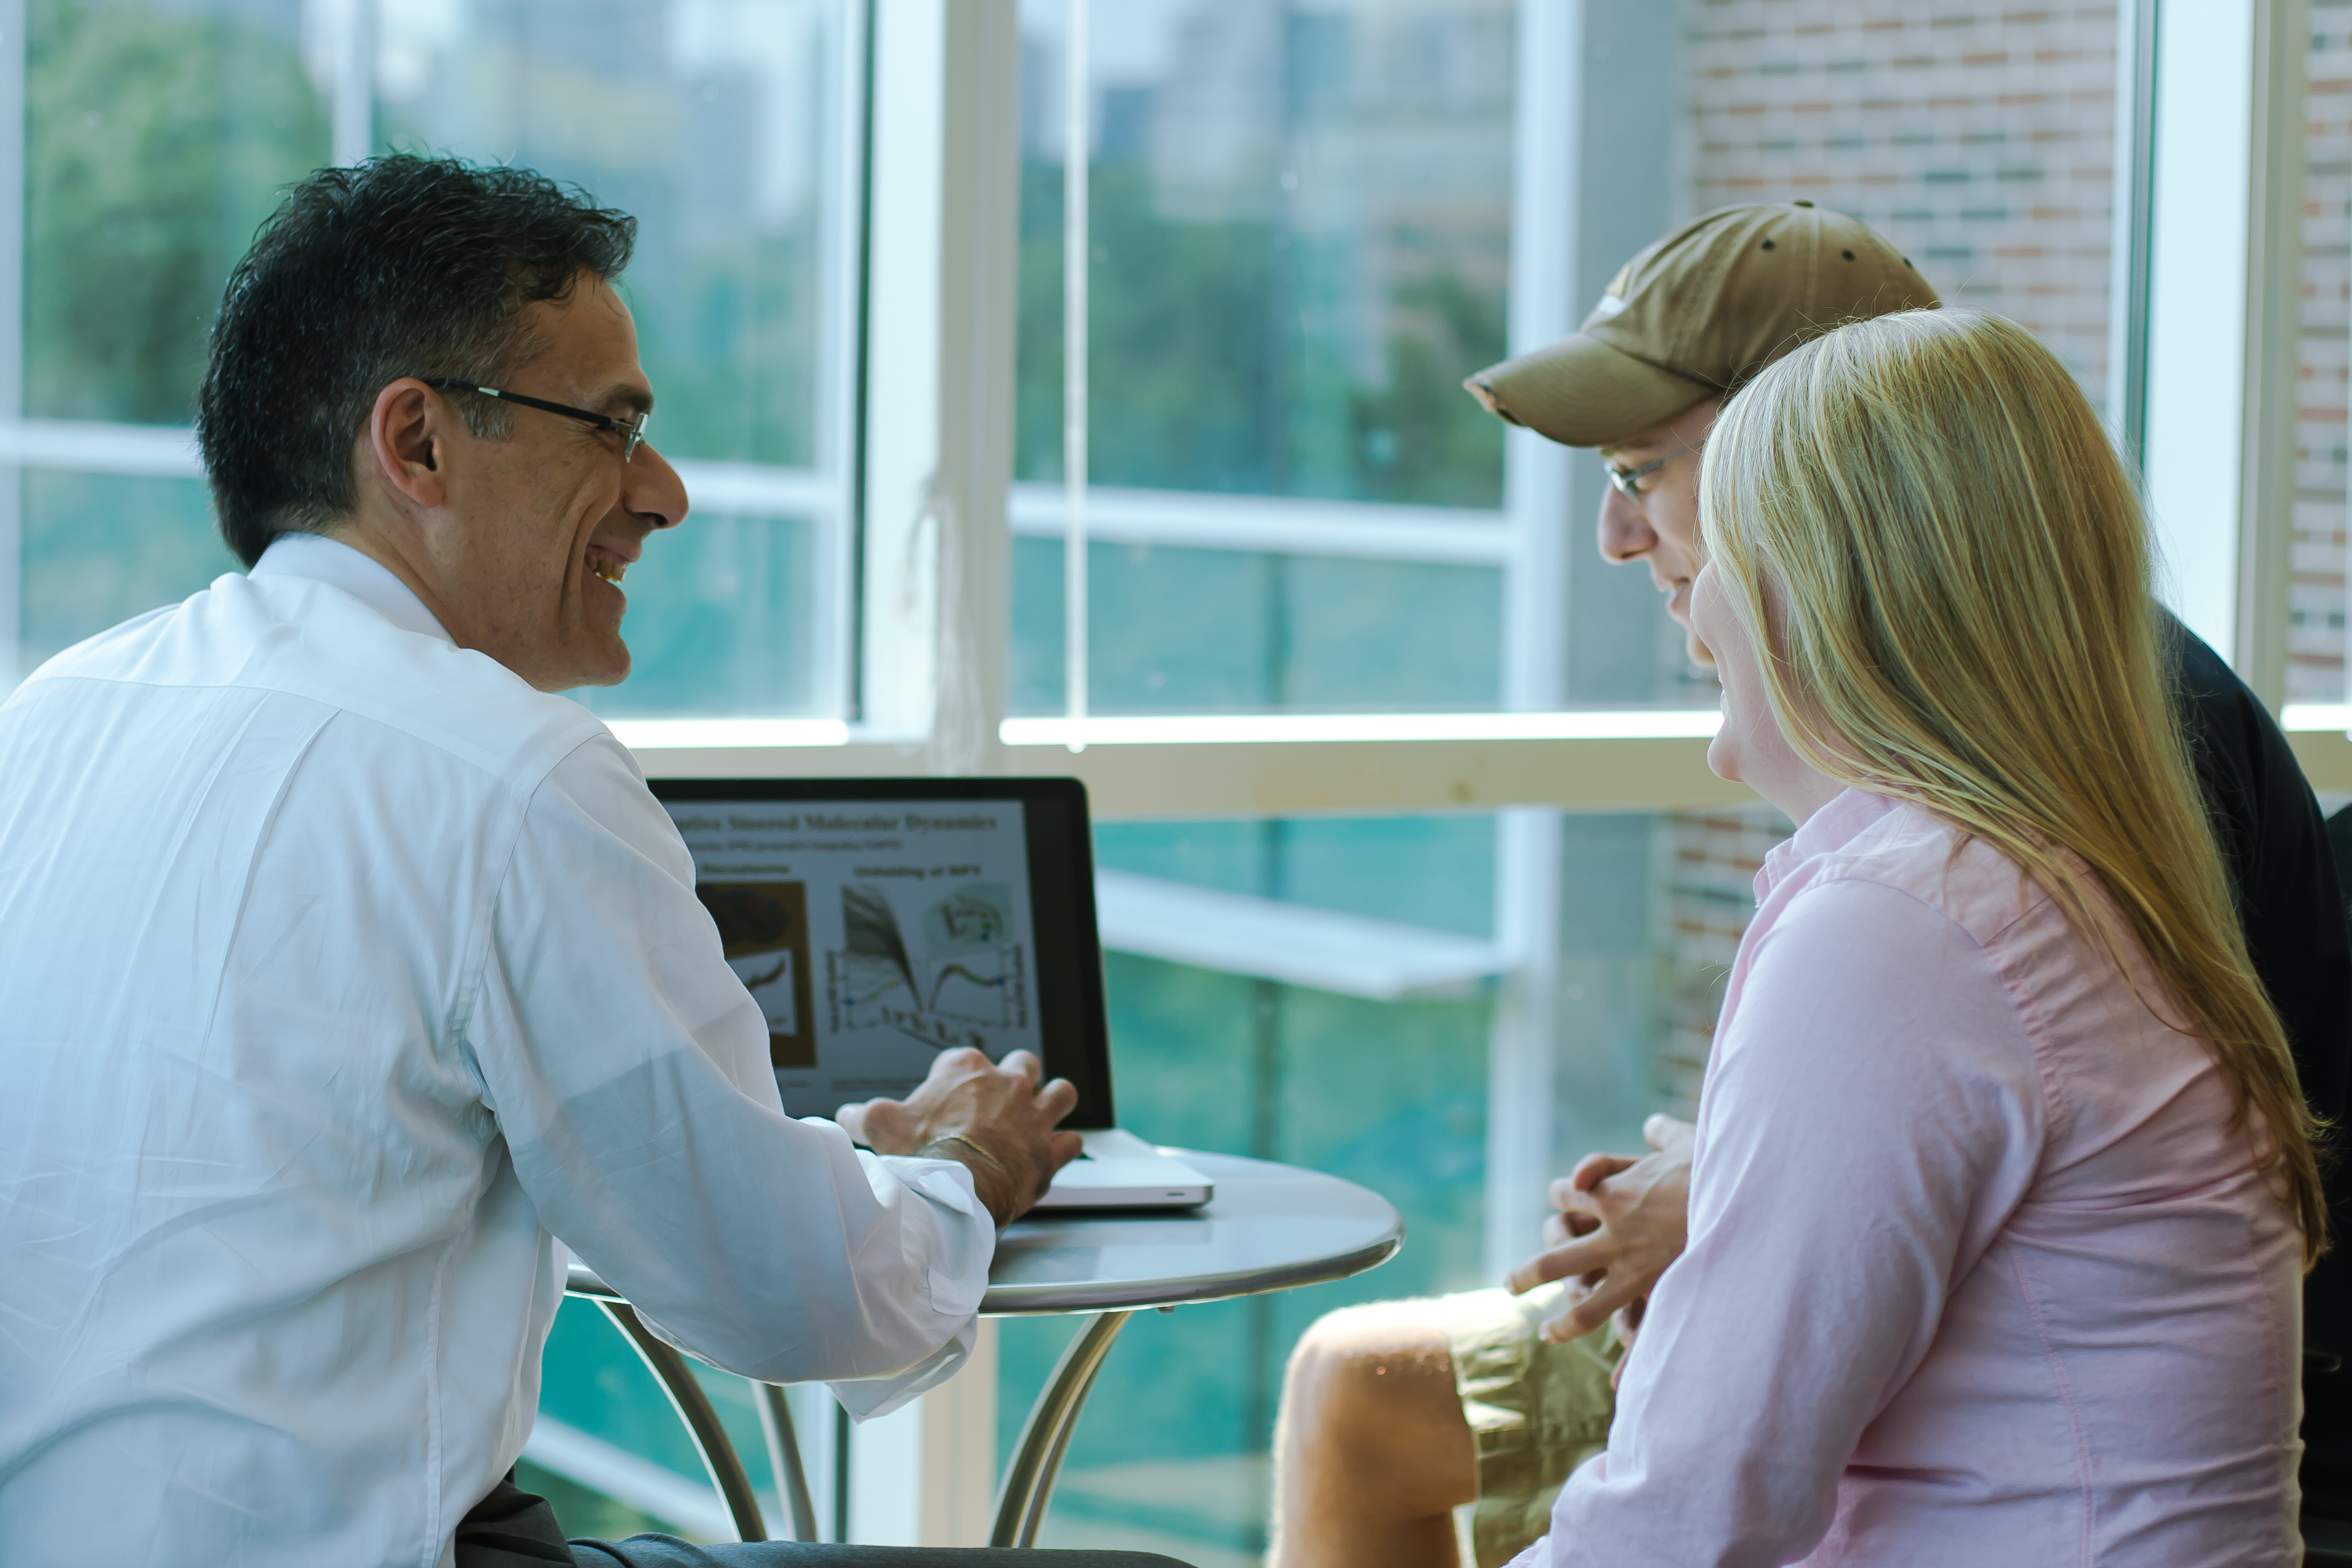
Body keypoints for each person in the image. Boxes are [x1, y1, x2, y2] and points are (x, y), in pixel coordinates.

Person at [0, 156, 1166, 1568]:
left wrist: (847, 1159)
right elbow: (786, 1298)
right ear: (417, 445)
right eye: (613, 429)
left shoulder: (57, 713)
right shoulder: (510, 775)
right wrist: (967, 1167)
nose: (663, 494)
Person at [1270, 202, 2352, 1568]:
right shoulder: (2028, 841)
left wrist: (1727, 1207)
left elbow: (1686, 1518)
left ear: (1847, 543)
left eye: (1677, 486)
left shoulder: (1915, 923)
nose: (1649, 556)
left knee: (1370, 1394)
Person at [1535, 303, 2311, 1561]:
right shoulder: (2051, 877)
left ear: (1825, 586)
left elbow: (1688, 1515)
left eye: (1721, 544)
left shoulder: (1908, 930)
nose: (1690, 600)